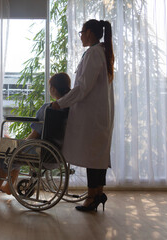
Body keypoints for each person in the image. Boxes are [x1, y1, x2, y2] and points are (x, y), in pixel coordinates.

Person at [52, 19, 115, 212]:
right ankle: (97, 194)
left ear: (89, 33)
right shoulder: (100, 52)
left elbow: (82, 88)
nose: (80, 36)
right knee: (97, 157)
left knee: (93, 158)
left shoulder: (94, 53)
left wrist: (60, 103)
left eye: (81, 32)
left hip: (92, 115)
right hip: (98, 114)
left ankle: (91, 197)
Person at [0, 72, 71, 195]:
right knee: (15, 150)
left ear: (53, 89)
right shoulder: (70, 109)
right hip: (58, 155)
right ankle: (8, 186)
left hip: (42, 153)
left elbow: (35, 134)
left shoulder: (48, 108)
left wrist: (21, 143)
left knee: (5, 152)